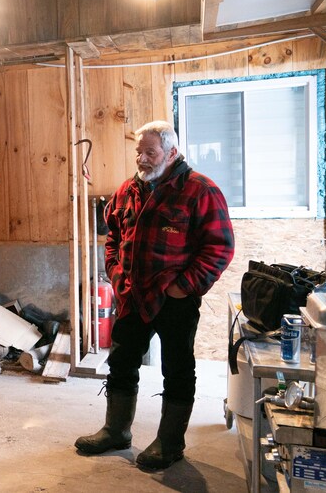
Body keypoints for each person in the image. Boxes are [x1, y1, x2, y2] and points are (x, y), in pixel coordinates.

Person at [74, 120, 235, 469]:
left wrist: (184, 286)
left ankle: (170, 443)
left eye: (150, 152)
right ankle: (116, 431)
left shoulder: (200, 190)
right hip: (132, 295)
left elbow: (219, 248)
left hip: (174, 300)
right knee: (121, 363)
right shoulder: (128, 190)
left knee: (177, 370)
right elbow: (113, 238)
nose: (142, 159)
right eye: (139, 151)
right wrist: (117, 275)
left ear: (171, 152)